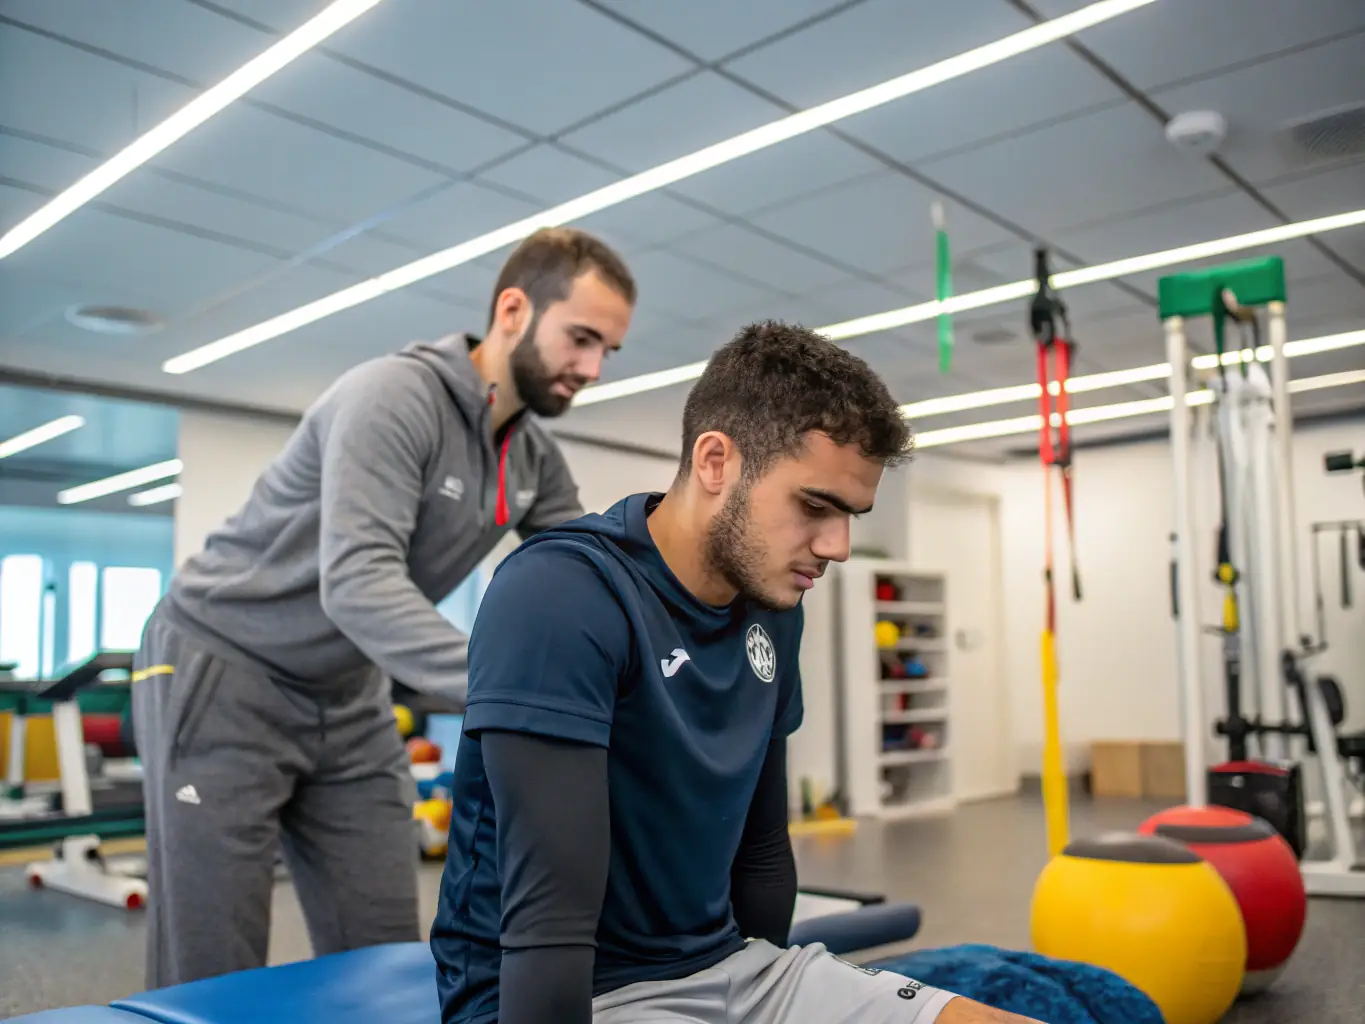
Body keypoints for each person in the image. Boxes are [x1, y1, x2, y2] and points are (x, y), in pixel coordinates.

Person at [429, 321, 1040, 1024]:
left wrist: (771, 990)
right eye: (815, 506)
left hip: (732, 967)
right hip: (580, 994)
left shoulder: (774, 606)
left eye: (851, 516)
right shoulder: (562, 594)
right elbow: (549, 921)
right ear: (715, 461)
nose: (837, 547)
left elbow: (762, 853)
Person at [130, 226, 636, 989]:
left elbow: (589, 574)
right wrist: (509, 687)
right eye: (581, 339)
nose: (592, 369)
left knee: (382, 958)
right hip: (223, 669)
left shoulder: (531, 457)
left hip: (347, 693)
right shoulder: (393, 397)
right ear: (512, 309)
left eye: (608, 352)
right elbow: (359, 582)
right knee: (211, 967)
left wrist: (658, 658)